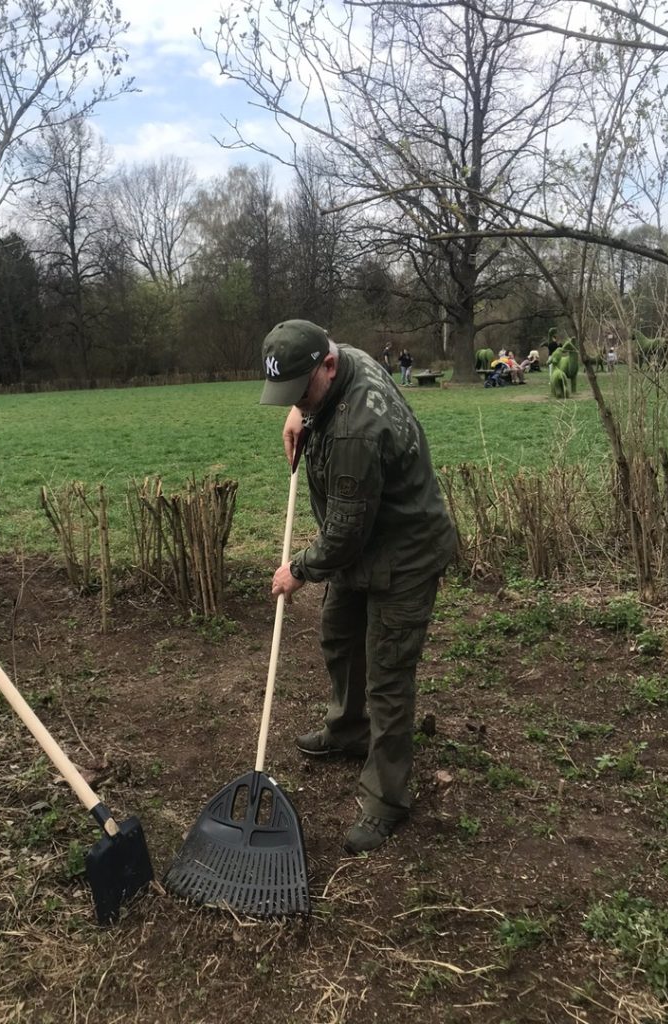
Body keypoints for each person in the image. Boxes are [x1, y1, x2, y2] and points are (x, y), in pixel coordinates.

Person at [259, 319, 456, 855]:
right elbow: (348, 534)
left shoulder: (355, 429)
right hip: (366, 540)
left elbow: (343, 535)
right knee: (339, 636)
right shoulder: (341, 359)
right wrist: (302, 413)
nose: (294, 403)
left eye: (301, 393)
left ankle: (386, 799)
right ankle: (347, 731)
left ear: (325, 367)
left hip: (404, 551)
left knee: (388, 674)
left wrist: (297, 570)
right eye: (287, 395)